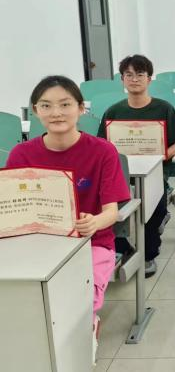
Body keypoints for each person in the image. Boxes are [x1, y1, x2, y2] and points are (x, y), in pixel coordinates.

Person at [6, 75, 130, 360]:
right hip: (36, 244)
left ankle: (86, 332)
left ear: (80, 108)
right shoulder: (21, 154)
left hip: (91, 243)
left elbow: (111, 212)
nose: (56, 113)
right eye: (46, 105)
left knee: (78, 303)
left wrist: (94, 222)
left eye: (65, 104)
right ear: (35, 111)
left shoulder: (103, 151)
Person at [97, 55, 175, 278]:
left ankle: (148, 255)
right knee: (110, 208)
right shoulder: (113, 111)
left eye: (140, 74)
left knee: (153, 210)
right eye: (128, 75)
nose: (134, 79)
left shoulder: (164, 109)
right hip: (120, 174)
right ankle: (122, 250)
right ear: (122, 79)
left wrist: (162, 155)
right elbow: (101, 146)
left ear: (149, 79)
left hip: (154, 172)